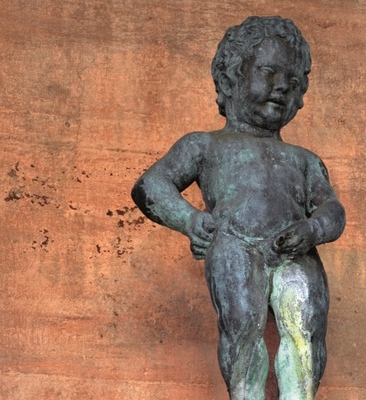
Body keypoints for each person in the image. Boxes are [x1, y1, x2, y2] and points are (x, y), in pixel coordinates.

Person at [132, 16, 345, 400]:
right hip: (235, 243)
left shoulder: (304, 159)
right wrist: (190, 220)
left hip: (295, 249)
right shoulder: (205, 145)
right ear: (231, 77)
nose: (282, 85)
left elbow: (333, 210)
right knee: (242, 326)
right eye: (269, 71)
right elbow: (151, 185)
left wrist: (312, 230)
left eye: (292, 79)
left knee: (307, 328)